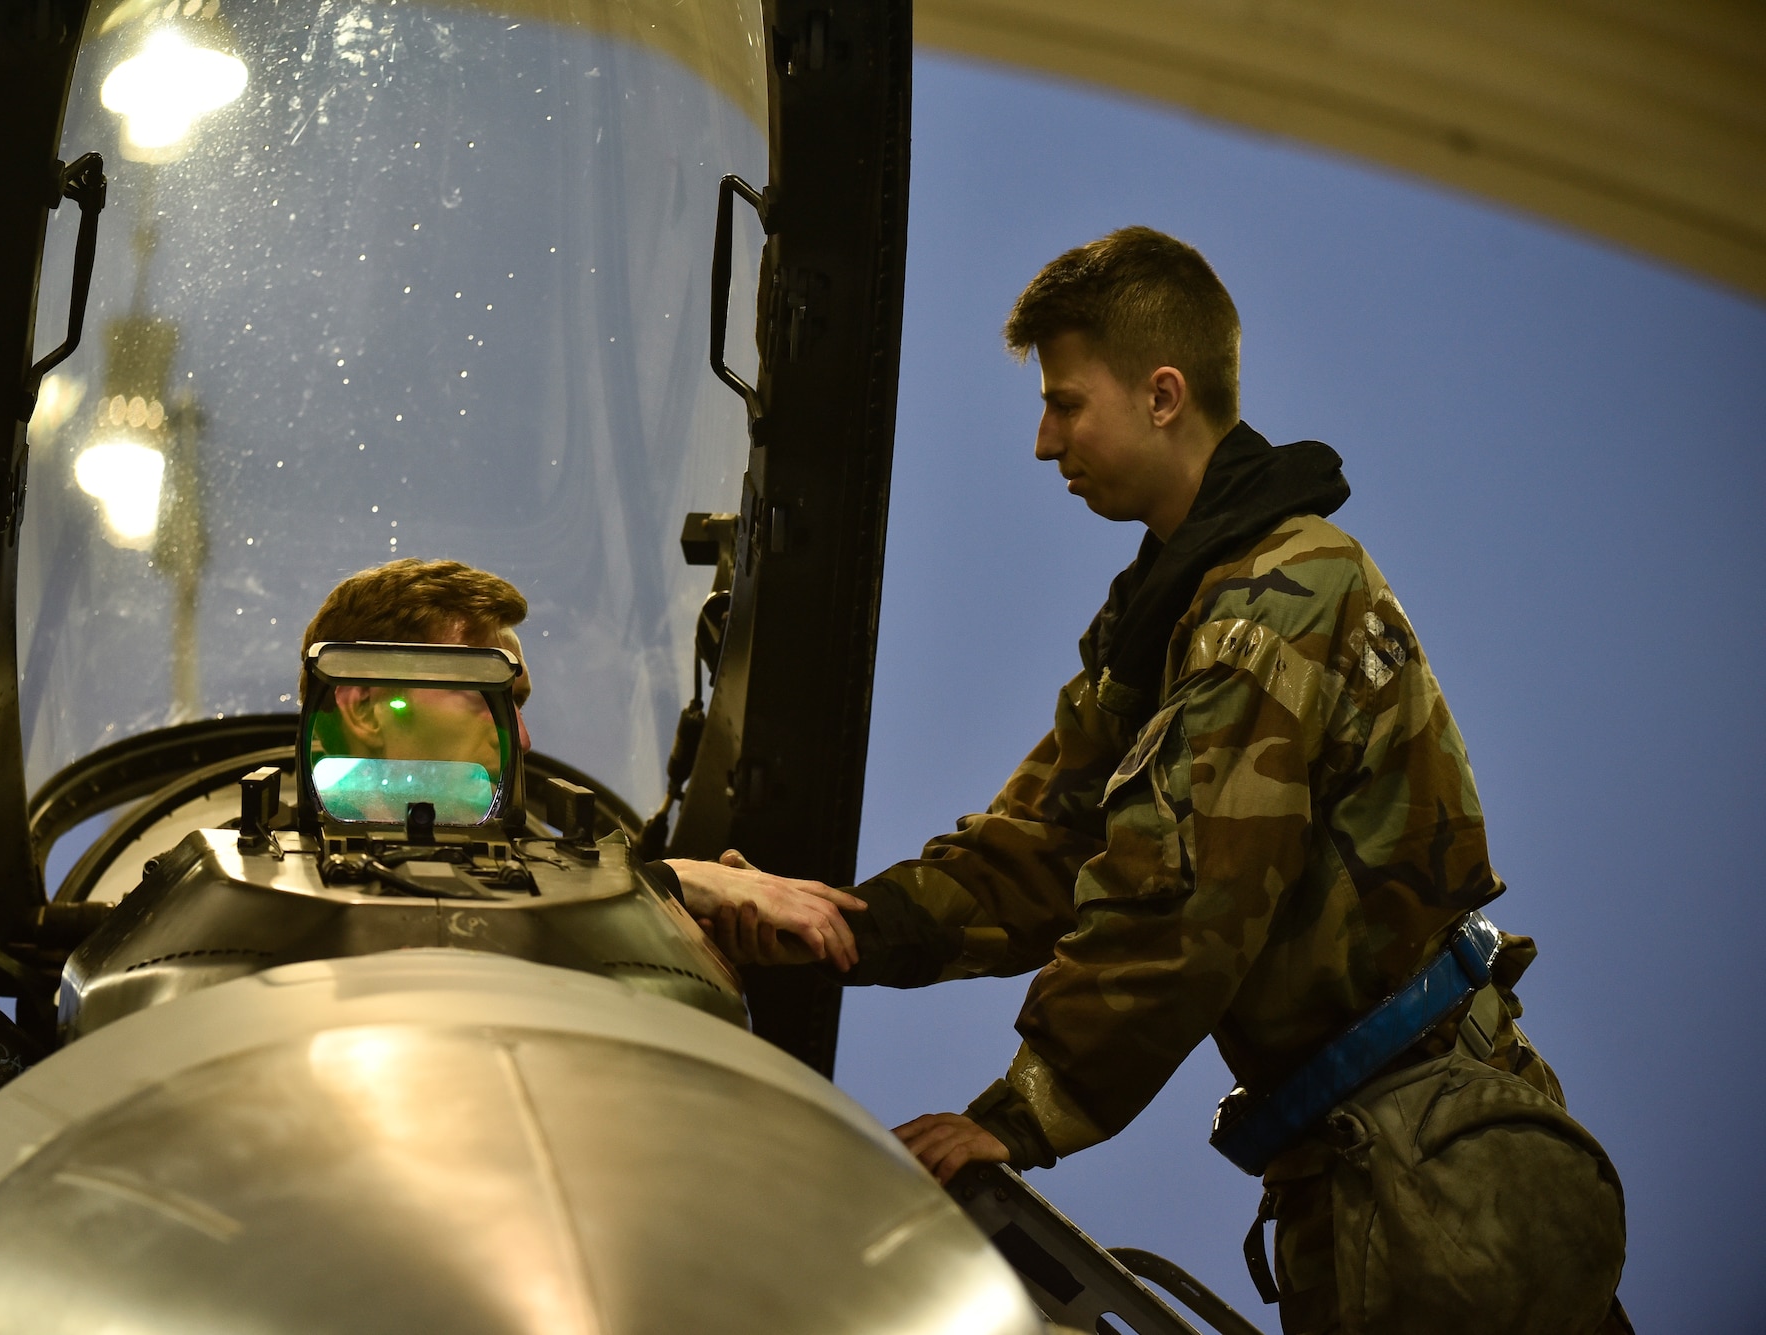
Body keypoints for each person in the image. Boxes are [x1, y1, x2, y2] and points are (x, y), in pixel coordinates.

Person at [668, 229, 1629, 1334]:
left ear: (1162, 393)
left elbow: (1186, 902)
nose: (1043, 443)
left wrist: (1019, 1116)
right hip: (1364, 1162)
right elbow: (1044, 850)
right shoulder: (1165, 625)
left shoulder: (1275, 599)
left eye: (1066, 404)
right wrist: (834, 924)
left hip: (1429, 1162)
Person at [300, 559, 869, 969]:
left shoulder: (564, 864)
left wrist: (703, 946)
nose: (521, 741)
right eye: (486, 698)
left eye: (517, 705)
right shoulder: (230, 866)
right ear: (366, 706)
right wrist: (671, 886)